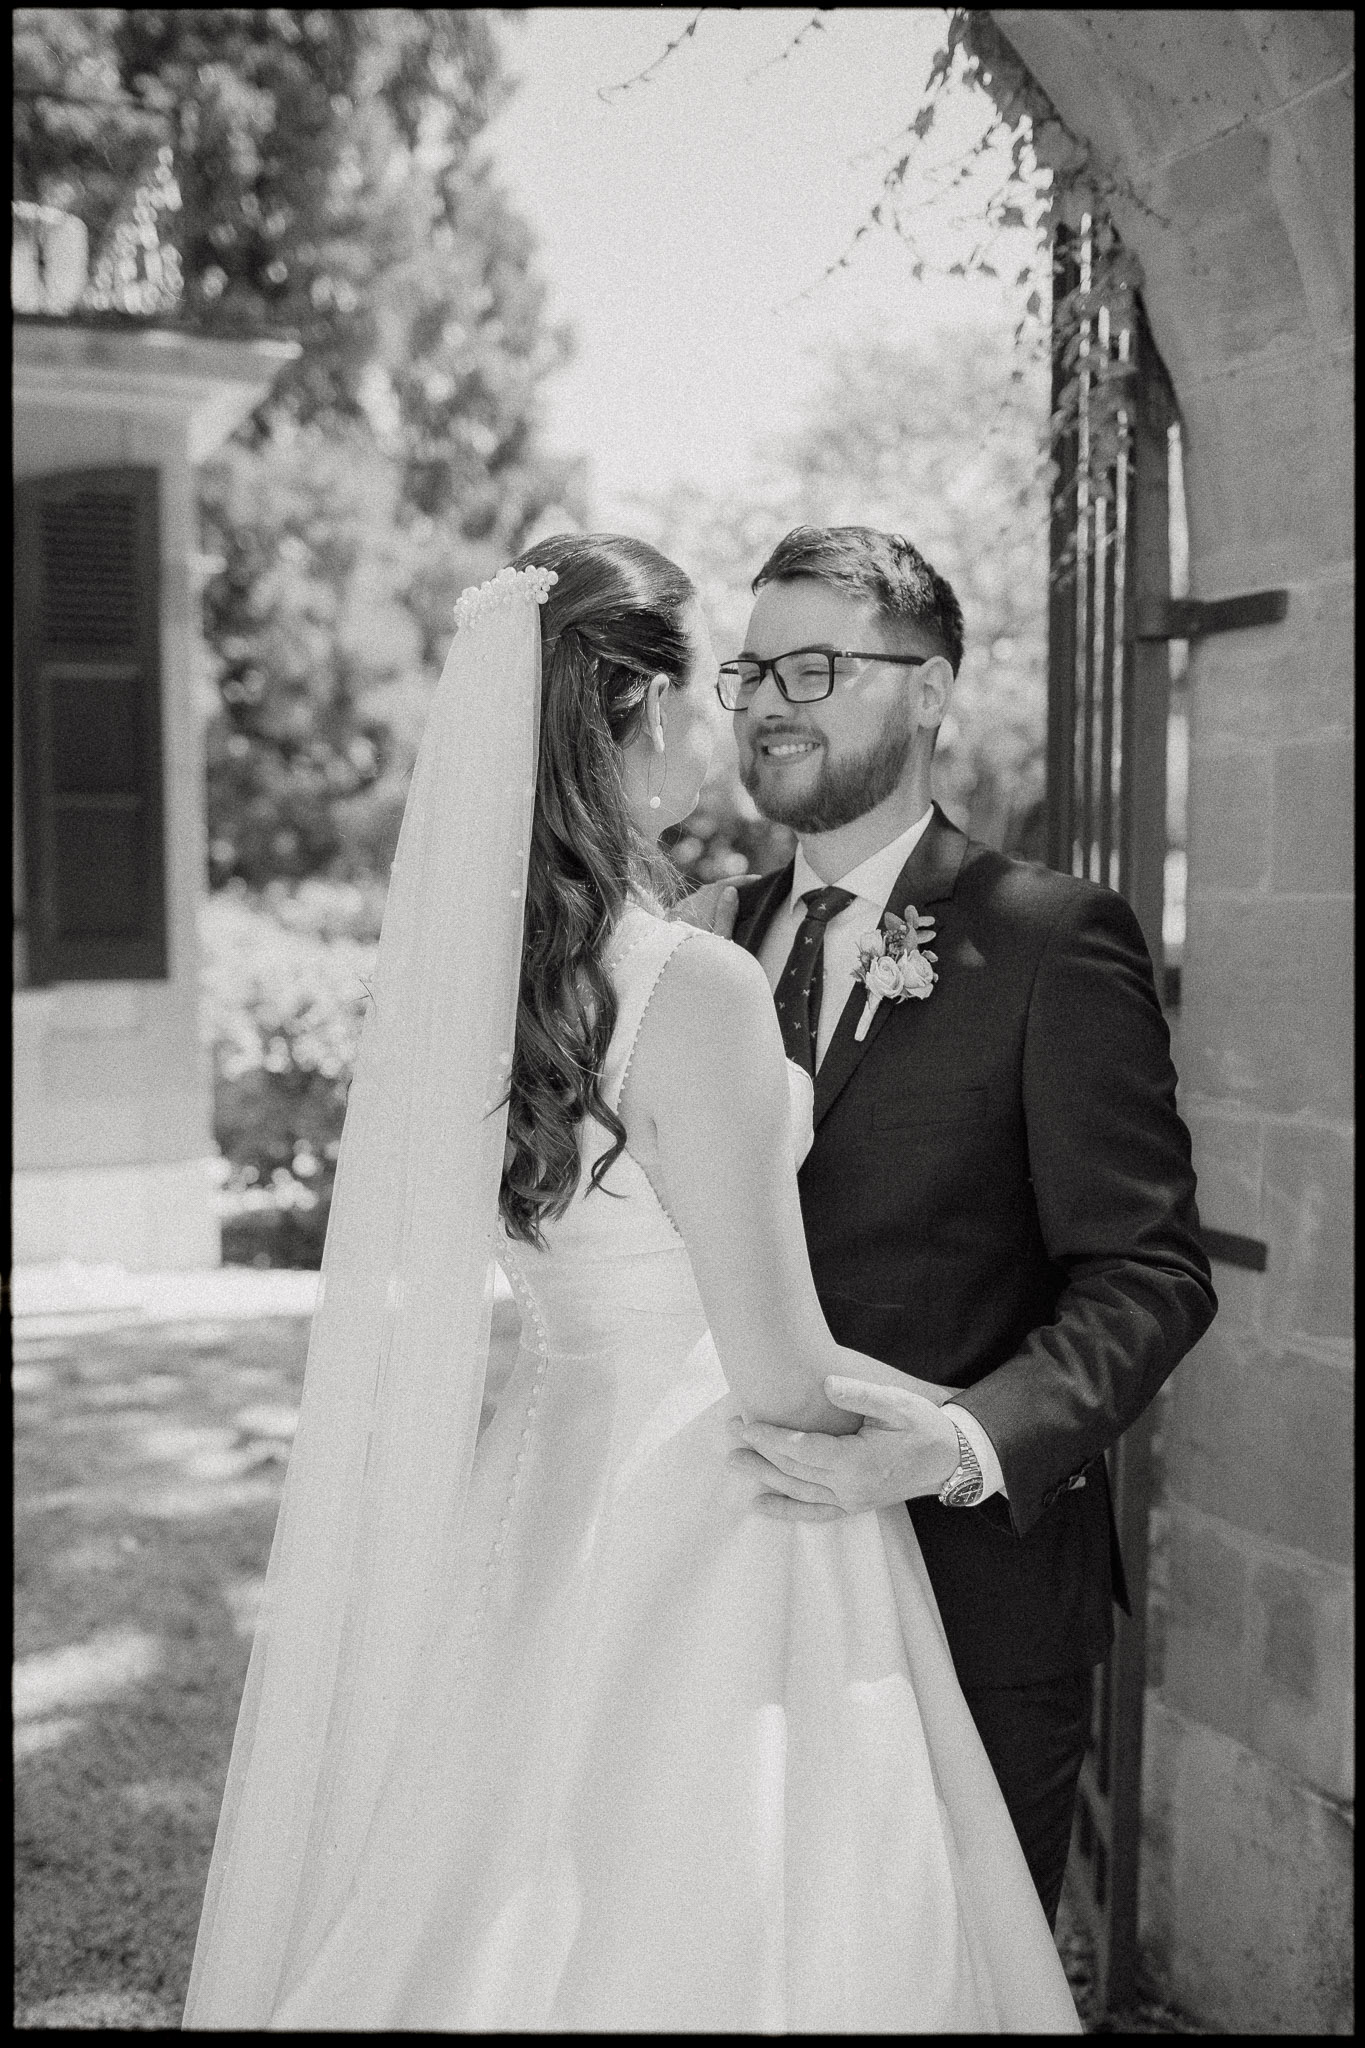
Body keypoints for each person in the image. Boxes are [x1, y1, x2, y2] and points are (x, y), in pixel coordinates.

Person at [183, 532, 1080, 2032]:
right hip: (726, 1506)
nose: (739, 712)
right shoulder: (695, 981)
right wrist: (963, 1420)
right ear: (647, 713)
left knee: (507, 1862)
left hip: (546, 1480)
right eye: (719, 680)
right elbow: (780, 1373)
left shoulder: (485, 982)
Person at [720, 524, 1217, 1929]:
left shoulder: (1052, 940)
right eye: (749, 668)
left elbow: (1148, 1274)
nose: (768, 700)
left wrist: (949, 1447)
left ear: (929, 689)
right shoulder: (702, 943)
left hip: (965, 1596)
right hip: (723, 1571)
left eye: (812, 665)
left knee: (940, 1970)